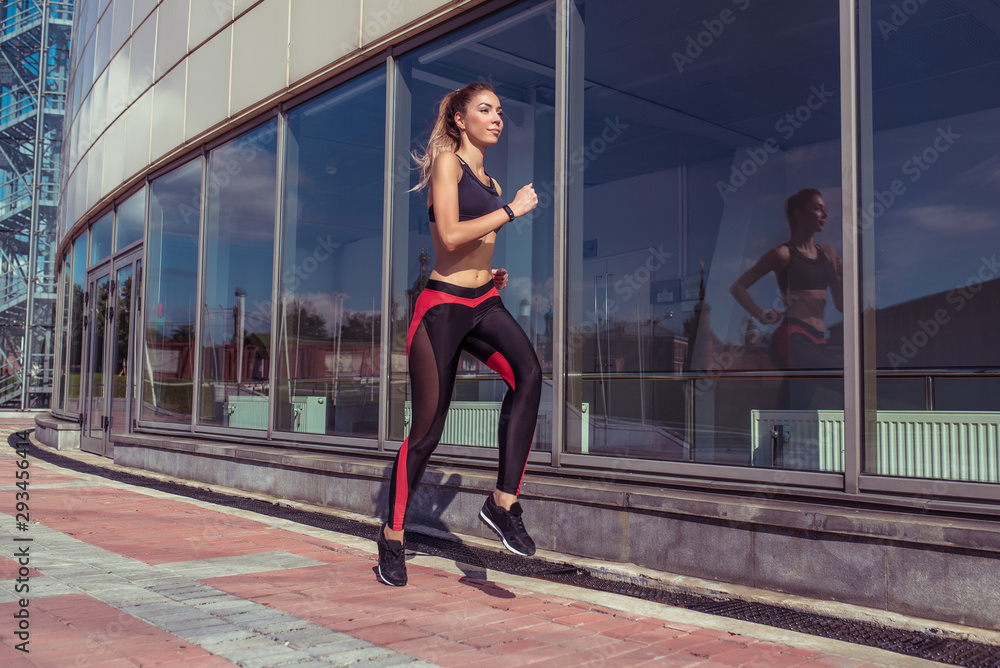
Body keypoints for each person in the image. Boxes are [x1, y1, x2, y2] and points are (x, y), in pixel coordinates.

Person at [376, 82, 541, 586]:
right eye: (486, 110)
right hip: (442, 309)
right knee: (427, 433)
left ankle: (502, 502)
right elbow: (447, 236)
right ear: (459, 121)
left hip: (482, 303)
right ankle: (393, 537)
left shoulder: (490, 182)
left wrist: (489, 274)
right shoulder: (449, 164)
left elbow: (471, 247)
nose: (497, 119)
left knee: (529, 374)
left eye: (500, 111)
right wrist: (511, 210)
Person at [730, 188, 843, 404]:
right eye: (818, 209)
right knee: (847, 380)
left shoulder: (828, 253)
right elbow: (738, 287)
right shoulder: (782, 254)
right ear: (799, 213)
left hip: (819, 340)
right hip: (793, 337)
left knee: (795, 407)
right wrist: (762, 316)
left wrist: (841, 276)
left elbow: (840, 305)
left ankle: (774, 437)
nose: (825, 215)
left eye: (825, 210)